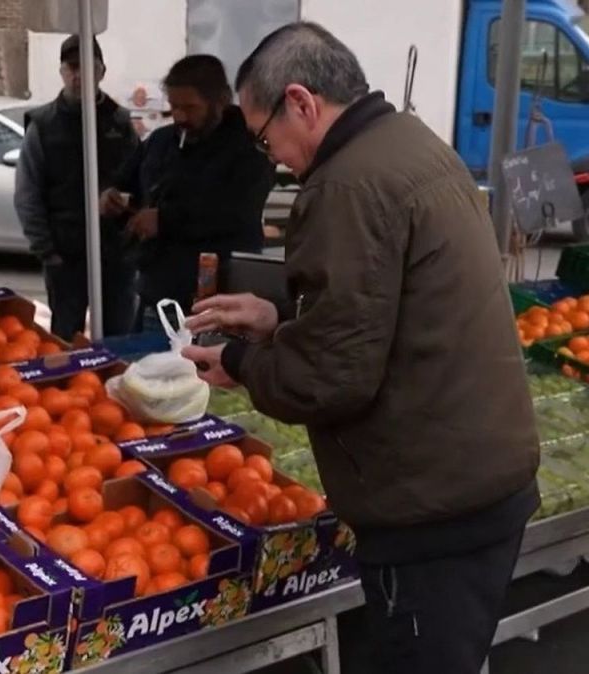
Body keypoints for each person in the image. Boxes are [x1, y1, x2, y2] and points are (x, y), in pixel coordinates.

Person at [181, 23, 539, 674]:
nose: (274, 159)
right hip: (480, 477)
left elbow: (330, 379)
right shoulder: (408, 142)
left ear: (302, 102)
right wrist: (276, 317)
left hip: (432, 504)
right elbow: (379, 308)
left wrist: (235, 362)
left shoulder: (344, 185)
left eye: (266, 139)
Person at [102, 55, 273, 328]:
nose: (180, 116)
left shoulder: (249, 149)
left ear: (219, 101)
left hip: (216, 299)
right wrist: (113, 196)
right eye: (174, 106)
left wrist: (165, 220)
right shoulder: (160, 141)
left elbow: (237, 212)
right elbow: (127, 181)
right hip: (155, 291)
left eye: (191, 107)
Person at [14, 35, 139, 340]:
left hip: (115, 254)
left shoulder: (119, 122)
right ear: (62, 72)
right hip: (65, 254)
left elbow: (140, 181)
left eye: (88, 66)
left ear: (102, 72)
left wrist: (128, 207)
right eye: (72, 67)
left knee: (118, 340)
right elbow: (28, 193)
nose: (79, 75)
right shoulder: (43, 125)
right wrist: (46, 250)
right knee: (63, 341)